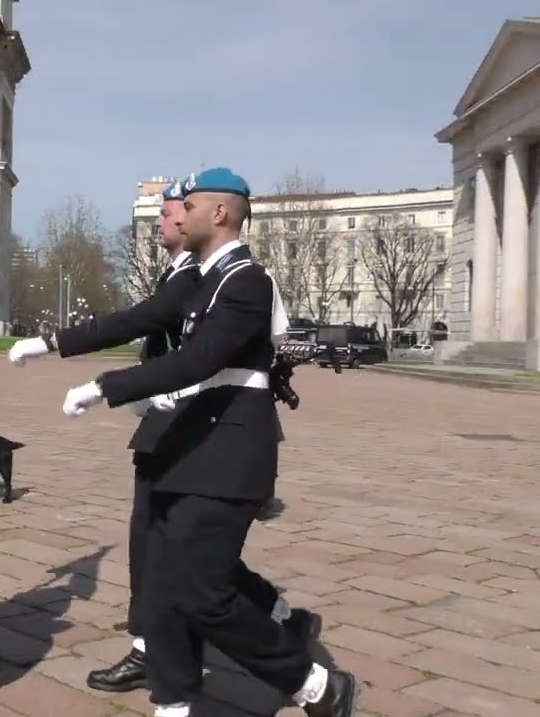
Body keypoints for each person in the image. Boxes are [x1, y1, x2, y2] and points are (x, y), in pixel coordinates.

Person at [58, 169, 356, 717]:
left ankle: (314, 683)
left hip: (229, 453)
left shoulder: (246, 280)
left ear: (219, 214)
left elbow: (198, 360)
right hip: (193, 445)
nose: (178, 212)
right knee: (164, 585)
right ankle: (173, 702)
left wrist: (107, 386)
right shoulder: (208, 280)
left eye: (188, 205)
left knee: (202, 592)